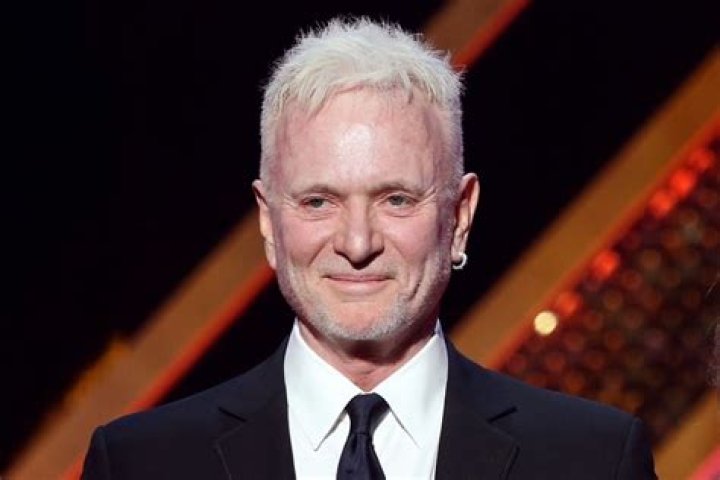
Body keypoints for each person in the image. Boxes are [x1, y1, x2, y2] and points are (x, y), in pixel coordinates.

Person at [81, 18, 657, 479]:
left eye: (396, 200)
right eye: (318, 202)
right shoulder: (141, 464)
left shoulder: (592, 460)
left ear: (459, 216)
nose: (357, 244)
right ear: (267, 221)